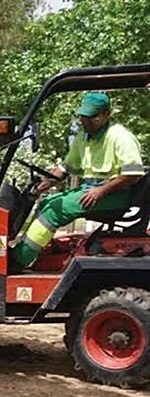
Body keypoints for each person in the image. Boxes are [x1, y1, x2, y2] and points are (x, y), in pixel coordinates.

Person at [10, 92, 144, 269]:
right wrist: (45, 184)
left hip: (114, 194)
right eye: (82, 117)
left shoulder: (119, 136)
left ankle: (18, 261)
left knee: (54, 212)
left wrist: (101, 191)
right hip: (90, 191)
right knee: (48, 203)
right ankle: (36, 252)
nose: (85, 122)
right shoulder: (83, 137)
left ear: (106, 114)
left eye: (91, 117)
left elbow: (133, 174)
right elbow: (66, 168)